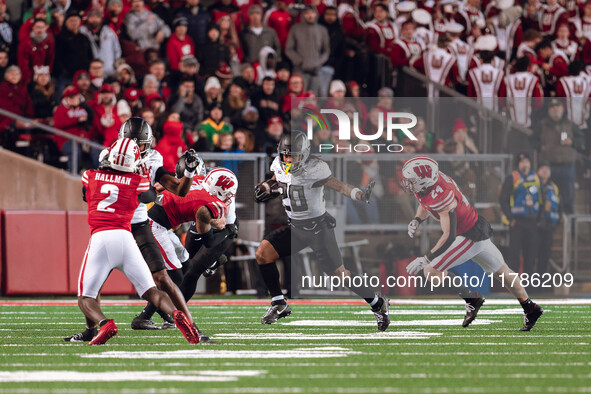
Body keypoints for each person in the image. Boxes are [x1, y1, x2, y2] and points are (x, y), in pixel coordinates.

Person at [65, 117, 202, 342]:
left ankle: (192, 326)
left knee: (159, 278)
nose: (137, 148)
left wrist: (185, 174)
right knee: (151, 285)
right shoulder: (135, 178)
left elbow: (87, 192)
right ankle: (92, 329)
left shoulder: (95, 171)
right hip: (125, 228)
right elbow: (150, 194)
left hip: (130, 225)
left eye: (140, 145)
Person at [253, 131, 390, 331]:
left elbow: (340, 186)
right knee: (263, 254)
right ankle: (278, 303)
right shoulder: (278, 164)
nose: (290, 159)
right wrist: (267, 186)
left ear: (305, 154)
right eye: (286, 155)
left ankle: (378, 303)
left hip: (318, 228)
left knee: (340, 275)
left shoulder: (315, 169)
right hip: (295, 227)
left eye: (295, 155)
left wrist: (359, 194)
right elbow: (277, 179)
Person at [403, 155, 544, 331]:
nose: (408, 183)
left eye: (411, 180)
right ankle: (530, 308)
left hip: (467, 235)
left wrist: (426, 258)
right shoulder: (427, 185)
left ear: (424, 181)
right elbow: (425, 203)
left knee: (430, 271)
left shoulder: (442, 193)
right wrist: (417, 219)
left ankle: (472, 298)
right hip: (475, 227)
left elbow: (449, 236)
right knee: (503, 272)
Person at [134, 164, 238, 332]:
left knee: (186, 266)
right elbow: (209, 242)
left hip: (162, 224)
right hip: (155, 226)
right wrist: (225, 231)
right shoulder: (207, 205)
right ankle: (144, 317)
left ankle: (161, 313)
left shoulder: (198, 180)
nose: (229, 197)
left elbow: (161, 186)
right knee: (175, 277)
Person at [538, 99, 584, 214]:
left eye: (557, 105)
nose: (555, 108)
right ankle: (549, 223)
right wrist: (540, 146)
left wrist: (572, 142)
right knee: (548, 195)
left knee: (568, 197)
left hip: (566, 166)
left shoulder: (570, 124)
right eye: (552, 106)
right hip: (549, 166)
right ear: (548, 110)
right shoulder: (543, 124)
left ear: (563, 108)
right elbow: (532, 139)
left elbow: (581, 139)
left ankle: (570, 227)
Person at [499, 152, 541, 275]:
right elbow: (503, 199)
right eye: (522, 162)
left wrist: (539, 219)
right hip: (517, 222)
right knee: (514, 255)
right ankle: (514, 285)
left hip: (532, 222)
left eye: (527, 161)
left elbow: (541, 198)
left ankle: (529, 287)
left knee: (531, 255)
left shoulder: (536, 178)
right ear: (518, 164)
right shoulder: (512, 177)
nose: (525, 164)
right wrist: (510, 218)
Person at [285, 5, 332, 97]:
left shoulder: (322, 30)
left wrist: (318, 62)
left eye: (312, 13)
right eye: (307, 13)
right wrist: (298, 61)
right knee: (299, 97)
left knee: (316, 97)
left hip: (316, 71)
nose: (310, 15)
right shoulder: (296, 29)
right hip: (300, 70)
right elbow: (289, 49)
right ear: (303, 15)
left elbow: (326, 51)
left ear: (316, 14)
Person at [79, 8, 121, 76]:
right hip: (91, 72)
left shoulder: (108, 32)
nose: (94, 20)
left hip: (109, 70)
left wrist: (115, 65)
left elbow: (117, 49)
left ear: (101, 19)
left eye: (97, 17)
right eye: (91, 17)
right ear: (87, 18)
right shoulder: (82, 32)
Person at [536, 162, 560, 275]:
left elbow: (559, 206)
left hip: (548, 225)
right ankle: (529, 284)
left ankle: (541, 282)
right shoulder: (533, 184)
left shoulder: (554, 187)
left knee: (545, 254)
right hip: (534, 225)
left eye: (547, 169)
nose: (545, 171)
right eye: (542, 168)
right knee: (531, 255)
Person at [17, 17, 54, 84]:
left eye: (42, 27)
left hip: (45, 78)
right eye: (38, 27)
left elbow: (50, 59)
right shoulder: (25, 43)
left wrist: (45, 75)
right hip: (30, 79)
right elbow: (23, 64)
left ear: (46, 28)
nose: (40, 30)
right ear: (33, 28)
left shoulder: (50, 42)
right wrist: (30, 78)